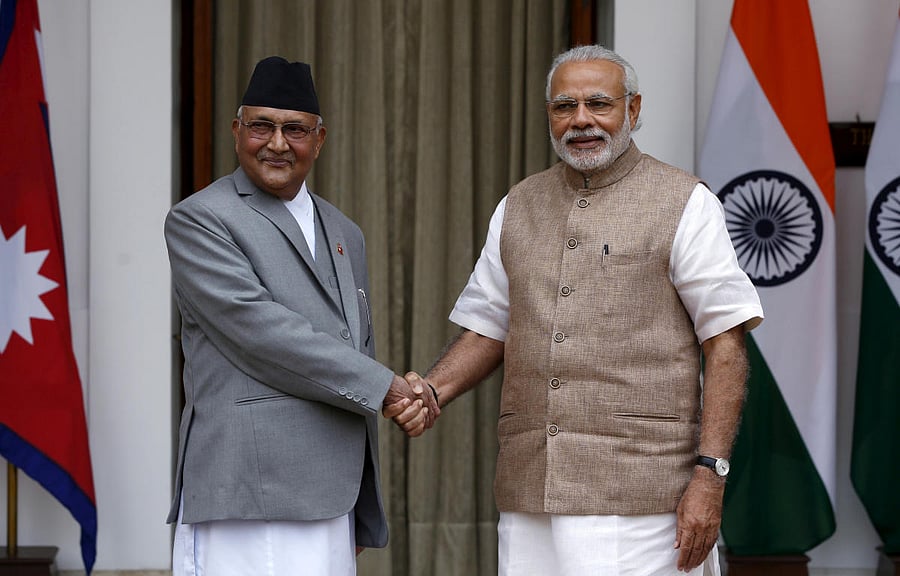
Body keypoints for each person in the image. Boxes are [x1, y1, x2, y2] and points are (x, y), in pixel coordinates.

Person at [388, 45, 763, 575]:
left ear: (632, 111)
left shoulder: (684, 201)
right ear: (548, 116)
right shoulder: (518, 204)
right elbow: (488, 328)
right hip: (530, 492)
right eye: (565, 106)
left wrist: (710, 475)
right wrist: (430, 391)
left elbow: (725, 342)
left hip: (644, 498)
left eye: (599, 104)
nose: (580, 120)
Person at [164, 56, 439, 576]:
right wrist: (390, 390)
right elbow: (262, 334)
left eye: (294, 129)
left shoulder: (344, 231)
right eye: (261, 126)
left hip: (331, 499)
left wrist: (356, 502)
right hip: (248, 494)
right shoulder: (201, 219)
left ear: (319, 139)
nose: (276, 143)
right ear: (236, 129)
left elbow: (353, 345)